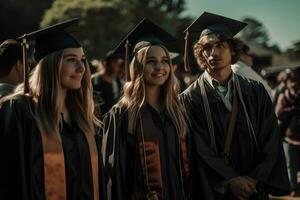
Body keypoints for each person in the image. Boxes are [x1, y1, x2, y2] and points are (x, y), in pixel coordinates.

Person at [180, 12, 290, 199]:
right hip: (214, 190)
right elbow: (199, 147)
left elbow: (271, 139)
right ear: (200, 53)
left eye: (221, 45)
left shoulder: (255, 91)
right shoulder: (190, 98)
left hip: (254, 190)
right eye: (207, 47)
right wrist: (231, 180)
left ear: (233, 50)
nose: (214, 53)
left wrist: (253, 179)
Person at [0, 19, 104, 200]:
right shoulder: (20, 110)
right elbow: (9, 179)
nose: (81, 68)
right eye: (71, 60)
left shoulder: (82, 115)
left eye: (82, 60)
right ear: (50, 65)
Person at [101, 18, 190, 200]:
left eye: (164, 60)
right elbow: (113, 177)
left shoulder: (176, 111)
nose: (160, 67)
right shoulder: (121, 116)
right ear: (138, 67)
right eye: (151, 61)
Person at [275, 66, 300, 197]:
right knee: (291, 165)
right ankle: (293, 188)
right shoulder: (283, 96)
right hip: (288, 137)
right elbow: (278, 113)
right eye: (292, 81)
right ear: (287, 83)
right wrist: (292, 110)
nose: (294, 84)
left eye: (297, 81)